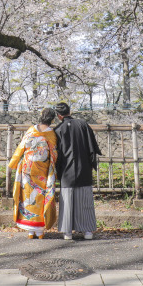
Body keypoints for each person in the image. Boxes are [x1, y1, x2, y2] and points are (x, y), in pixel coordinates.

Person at [53, 101, 102, 240]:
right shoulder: (83, 124)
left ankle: (67, 232)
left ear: (59, 116)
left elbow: (57, 154)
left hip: (66, 170)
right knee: (85, 199)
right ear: (70, 112)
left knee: (67, 200)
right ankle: (87, 231)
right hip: (84, 167)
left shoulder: (58, 129)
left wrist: (58, 170)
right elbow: (92, 147)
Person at [8, 107, 58, 239]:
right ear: (52, 119)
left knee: (27, 195)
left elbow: (21, 148)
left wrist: (13, 163)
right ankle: (40, 231)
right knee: (41, 196)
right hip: (43, 169)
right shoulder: (51, 134)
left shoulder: (31, 130)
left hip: (28, 167)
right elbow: (54, 153)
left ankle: (30, 231)